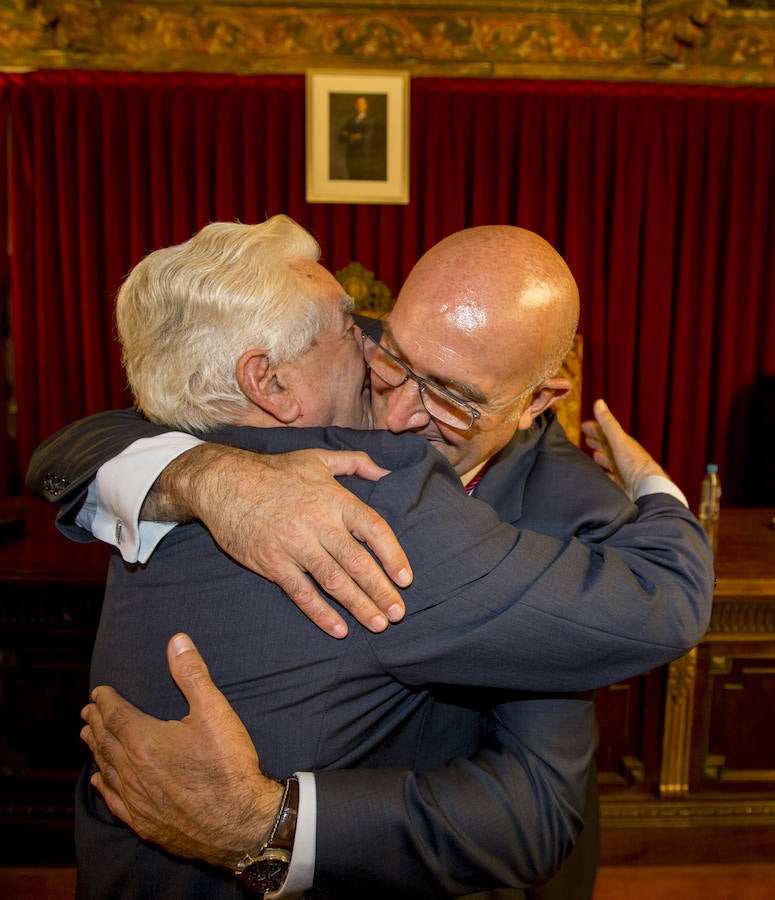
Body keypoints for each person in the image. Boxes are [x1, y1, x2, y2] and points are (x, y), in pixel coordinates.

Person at [28, 221, 713, 898]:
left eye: (452, 398)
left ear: (536, 401)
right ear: (266, 380)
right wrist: (206, 476)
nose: (396, 417)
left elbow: (532, 814)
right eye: (373, 345)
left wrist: (268, 824)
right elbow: (82, 445)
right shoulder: (283, 479)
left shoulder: (572, 514)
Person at [337, 95, 385, 180]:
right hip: (351, 157)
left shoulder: (370, 121)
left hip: (364, 156)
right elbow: (341, 137)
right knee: (352, 178)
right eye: (358, 103)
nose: (359, 105)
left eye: (362, 103)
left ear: (366, 106)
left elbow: (367, 138)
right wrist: (353, 136)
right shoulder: (350, 121)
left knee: (363, 178)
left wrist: (349, 135)